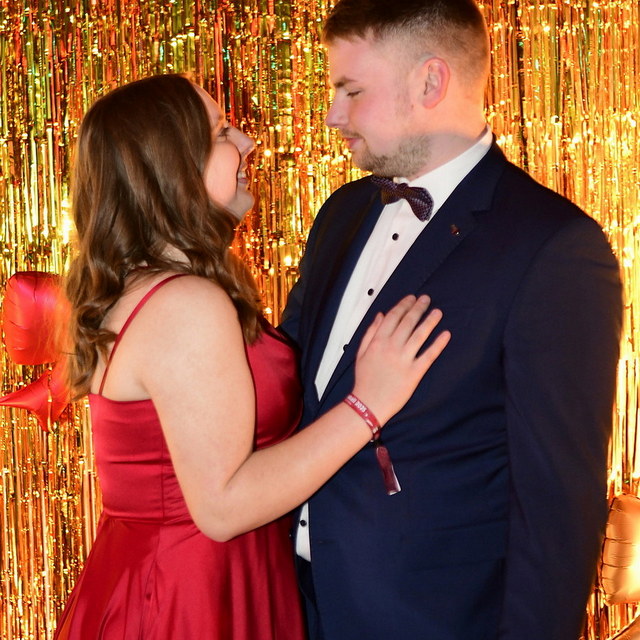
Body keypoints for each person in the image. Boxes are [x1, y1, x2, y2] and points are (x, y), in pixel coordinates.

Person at [53, 74, 449, 640]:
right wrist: (368, 405)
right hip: (192, 599)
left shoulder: (152, 288)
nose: (247, 143)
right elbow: (222, 508)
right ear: (170, 166)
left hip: (171, 580)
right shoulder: (185, 303)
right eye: (220, 133)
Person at [279, 1, 623, 639]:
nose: (332, 115)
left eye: (351, 91)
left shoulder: (554, 248)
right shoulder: (342, 213)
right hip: (294, 610)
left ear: (430, 82)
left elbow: (557, 511)